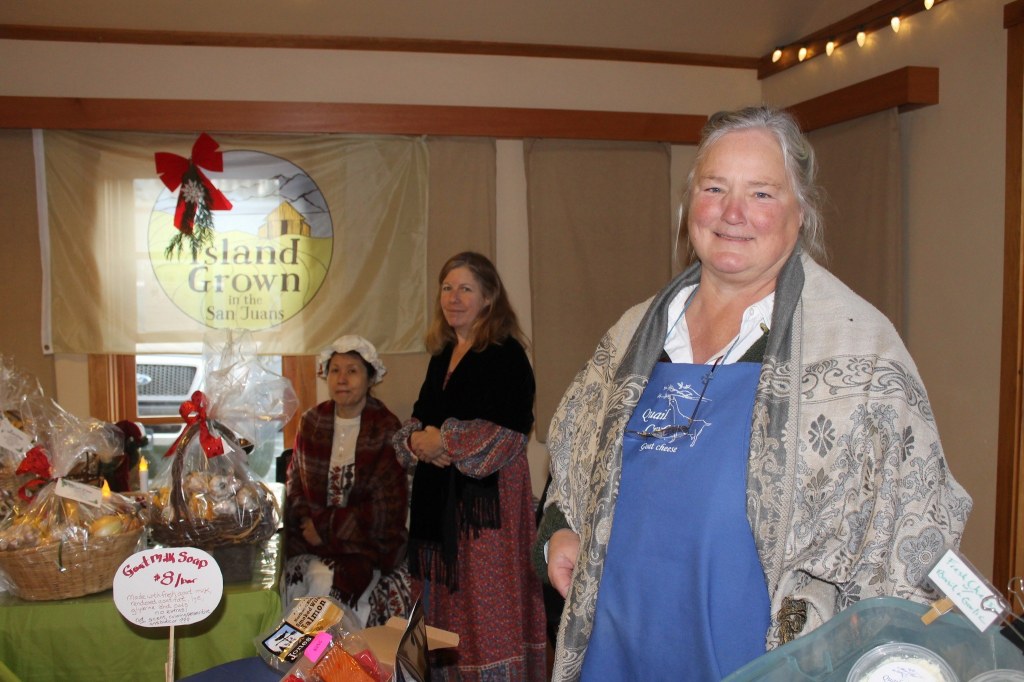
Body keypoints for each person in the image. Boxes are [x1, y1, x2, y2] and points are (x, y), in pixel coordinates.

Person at [535, 106, 972, 681]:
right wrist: (559, 533)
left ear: (801, 212)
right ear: (690, 204)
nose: (733, 213)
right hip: (619, 652)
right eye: (715, 188)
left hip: (761, 663)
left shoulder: (862, 352)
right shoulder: (631, 335)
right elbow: (570, 460)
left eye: (762, 193)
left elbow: (914, 534)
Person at [392, 251, 547, 680]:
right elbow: (417, 424)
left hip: (486, 515)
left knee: (485, 608)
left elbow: (509, 433)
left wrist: (443, 440)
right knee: (444, 614)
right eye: (447, 287)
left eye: (466, 289)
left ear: (488, 298)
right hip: (439, 514)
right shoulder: (442, 354)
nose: (454, 298)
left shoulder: (506, 355)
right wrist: (422, 442)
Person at [284, 335, 411, 627]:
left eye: (352, 371)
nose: (342, 379)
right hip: (311, 539)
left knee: (326, 585)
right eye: (335, 370)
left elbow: (387, 506)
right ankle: (309, 659)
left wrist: (326, 528)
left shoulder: (386, 427)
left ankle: (336, 658)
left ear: (370, 379)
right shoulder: (312, 421)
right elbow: (296, 484)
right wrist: (308, 524)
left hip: (369, 545)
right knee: (308, 579)